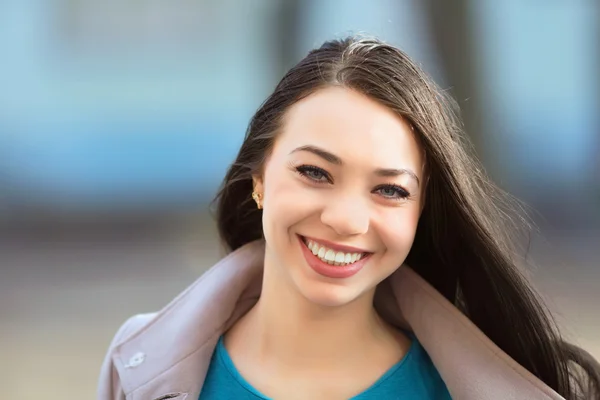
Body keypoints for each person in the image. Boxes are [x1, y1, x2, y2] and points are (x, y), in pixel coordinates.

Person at [98, 36, 600, 400]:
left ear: (422, 212)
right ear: (259, 179)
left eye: (389, 189)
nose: (345, 220)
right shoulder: (140, 366)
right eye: (315, 172)